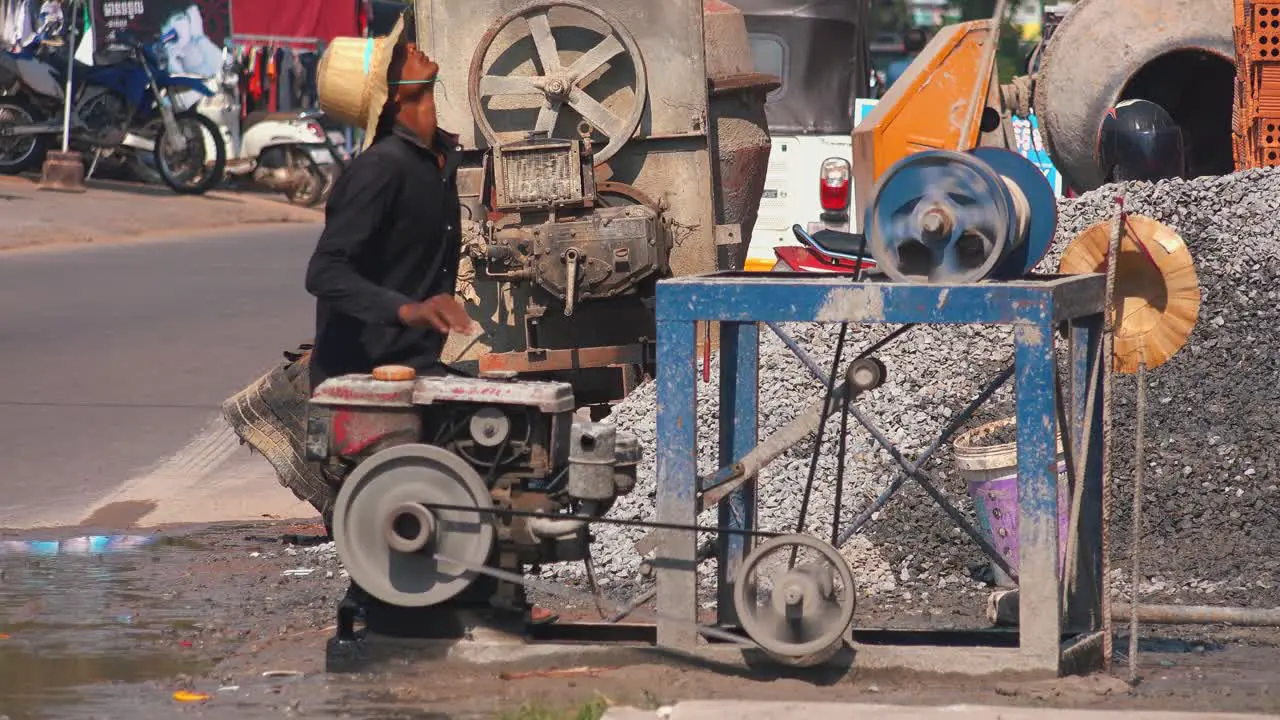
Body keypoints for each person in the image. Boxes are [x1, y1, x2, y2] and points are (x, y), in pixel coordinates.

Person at [303, 14, 558, 625]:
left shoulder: (433, 158)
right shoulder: (380, 170)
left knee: (473, 476)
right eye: (402, 57)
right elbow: (325, 272)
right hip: (366, 374)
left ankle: (477, 605)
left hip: (414, 363)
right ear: (395, 96)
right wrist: (407, 308)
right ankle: (387, 614)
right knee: (410, 501)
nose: (414, 47)